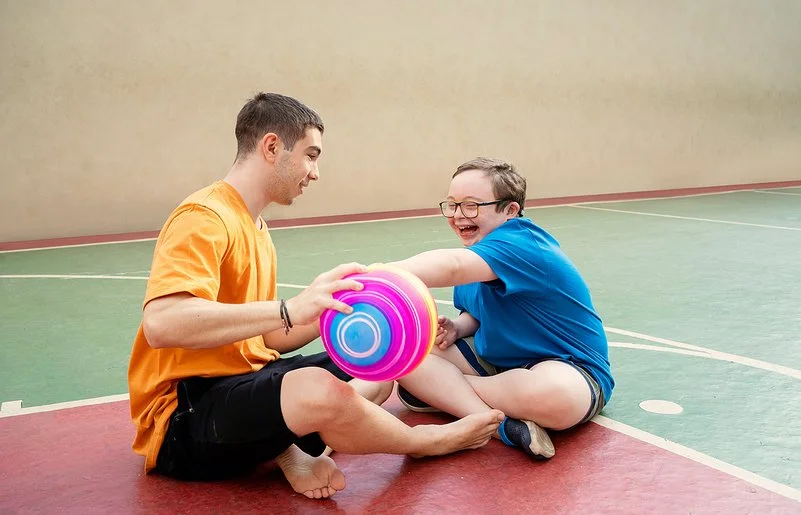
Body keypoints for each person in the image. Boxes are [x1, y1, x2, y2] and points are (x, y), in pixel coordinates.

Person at [127, 93, 504, 499]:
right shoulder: (204, 218)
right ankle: (425, 444)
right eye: (310, 155)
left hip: (244, 385)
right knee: (319, 390)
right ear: (272, 147)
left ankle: (288, 451)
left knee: (375, 369)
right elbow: (162, 323)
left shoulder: (254, 227)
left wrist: (326, 305)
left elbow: (269, 340)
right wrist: (290, 308)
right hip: (184, 417)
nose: (315, 172)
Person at [389, 157, 613, 459]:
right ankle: (501, 427)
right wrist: (459, 328)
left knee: (557, 398)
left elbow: (452, 266)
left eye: (471, 205)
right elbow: (477, 313)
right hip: (499, 364)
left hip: (567, 366)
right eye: (452, 205)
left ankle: (443, 394)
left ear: (510, 210)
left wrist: (379, 273)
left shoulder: (522, 243)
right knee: (404, 353)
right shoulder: (479, 254)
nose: (458, 215)